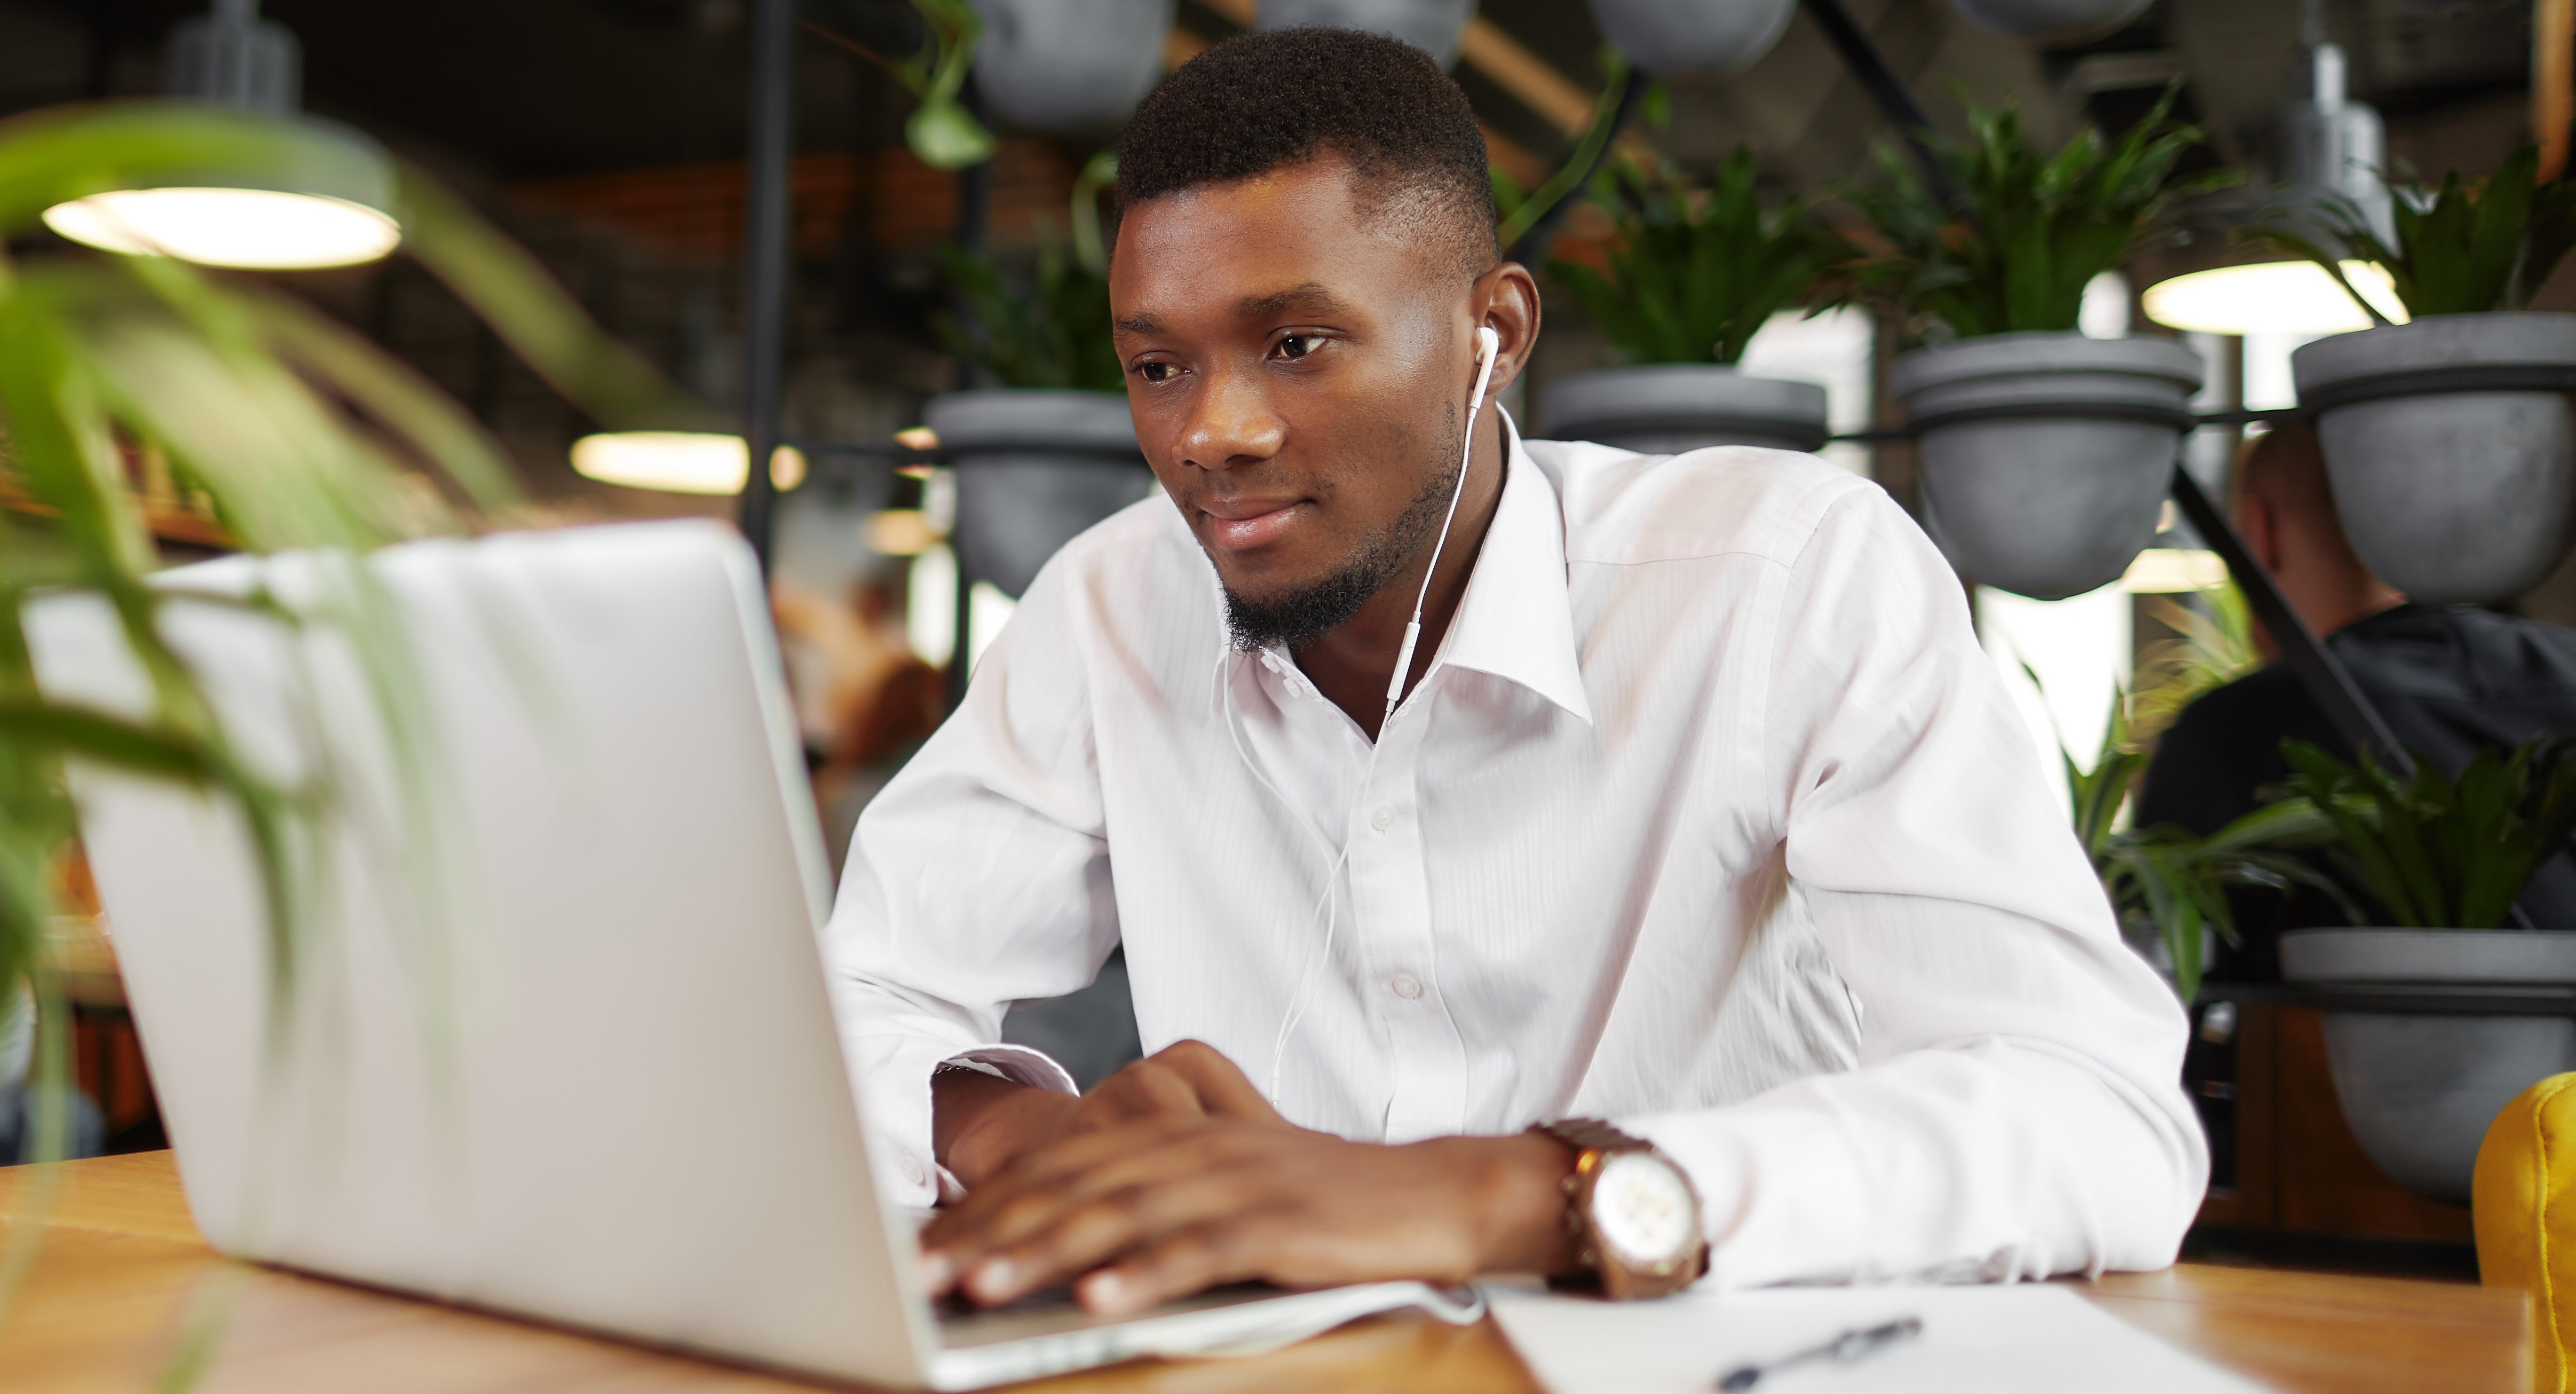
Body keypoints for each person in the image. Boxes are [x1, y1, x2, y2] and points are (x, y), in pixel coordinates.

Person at [825, 28, 2198, 1317]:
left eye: (1293, 344)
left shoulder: (1781, 583)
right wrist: (1021, 1139)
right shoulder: (1110, 607)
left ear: (1494, 334)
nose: (1210, 432)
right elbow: (848, 1003)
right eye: (1156, 365)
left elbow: (2093, 1115)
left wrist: (1495, 1193)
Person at [2138, 421, 2576, 974]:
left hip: (2333, 1063)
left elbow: (2159, 972)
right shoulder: (2563, 672)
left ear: (2260, 528)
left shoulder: (2237, 728)